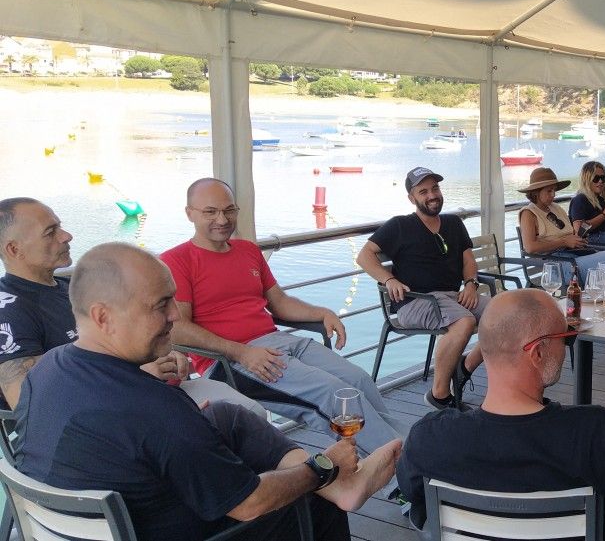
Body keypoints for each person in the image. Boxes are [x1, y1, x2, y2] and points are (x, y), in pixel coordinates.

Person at [14, 243, 403, 541]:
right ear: (103, 316)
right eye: (161, 305)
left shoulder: (47, 369)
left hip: (87, 522)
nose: (174, 317)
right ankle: (338, 485)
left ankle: (343, 487)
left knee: (223, 415)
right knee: (311, 497)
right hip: (181, 529)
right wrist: (322, 467)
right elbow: (252, 503)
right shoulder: (153, 408)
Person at [162, 178, 403, 453]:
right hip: (231, 361)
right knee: (332, 396)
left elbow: (278, 302)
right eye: (210, 211)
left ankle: (400, 453)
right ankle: (400, 470)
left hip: (278, 342)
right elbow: (178, 327)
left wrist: (321, 312)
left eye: (229, 210)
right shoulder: (176, 260)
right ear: (189, 213)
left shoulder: (248, 251)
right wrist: (241, 353)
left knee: (358, 381)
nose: (222, 219)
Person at [394, 289, 605, 541]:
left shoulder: (431, 437)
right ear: (538, 353)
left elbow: (412, 496)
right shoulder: (595, 432)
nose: (566, 347)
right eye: (566, 338)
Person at [0, 197, 264, 417]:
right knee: (238, 425)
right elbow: (25, 402)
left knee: (249, 417)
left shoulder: (67, 288)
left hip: (140, 395)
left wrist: (160, 354)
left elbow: (116, 344)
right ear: (14, 249)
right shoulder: (8, 309)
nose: (66, 236)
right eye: (50, 232)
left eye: (61, 227)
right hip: (103, 421)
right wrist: (131, 376)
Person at [356, 167, 488, 411]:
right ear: (412, 198)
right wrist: (389, 280)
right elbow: (364, 256)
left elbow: (468, 259)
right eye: (423, 191)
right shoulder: (400, 225)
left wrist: (471, 284)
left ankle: (464, 368)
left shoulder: (453, 223)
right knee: (464, 322)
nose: (431, 195)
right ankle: (439, 394)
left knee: (506, 315)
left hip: (453, 296)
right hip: (414, 301)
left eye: (435, 188)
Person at [517, 167, 605, 282]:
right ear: (536, 192)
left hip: (573, 257)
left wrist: (578, 240)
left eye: (554, 190)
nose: (553, 194)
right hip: (556, 265)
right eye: (549, 191)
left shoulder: (556, 208)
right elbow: (530, 247)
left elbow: (571, 233)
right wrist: (564, 242)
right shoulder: (529, 213)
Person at [568, 161, 605, 249]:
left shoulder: (600, 201)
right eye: (596, 178)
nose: (600, 181)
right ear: (587, 179)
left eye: (603, 178)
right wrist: (604, 216)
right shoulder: (579, 200)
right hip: (595, 249)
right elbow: (579, 231)